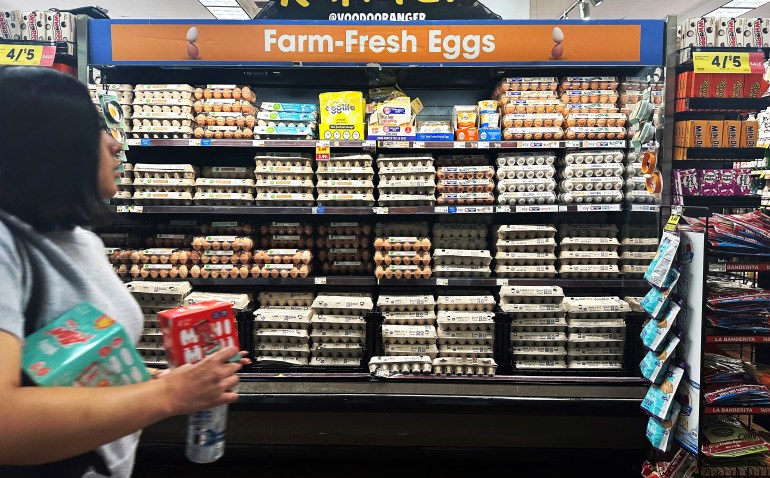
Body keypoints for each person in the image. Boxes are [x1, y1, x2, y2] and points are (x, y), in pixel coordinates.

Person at [0, 66, 247, 477]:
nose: (115, 143)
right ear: (51, 145)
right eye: (94, 129)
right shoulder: (5, 242)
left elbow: (63, 362)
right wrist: (168, 394)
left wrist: (149, 379)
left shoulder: (77, 237)